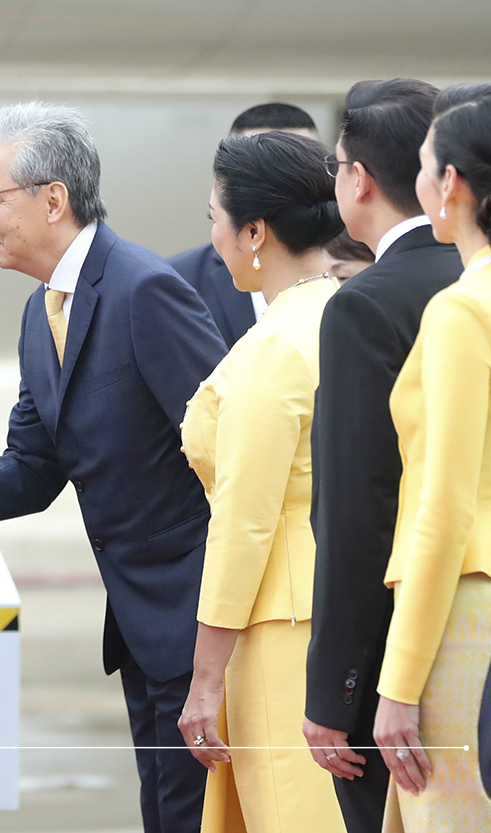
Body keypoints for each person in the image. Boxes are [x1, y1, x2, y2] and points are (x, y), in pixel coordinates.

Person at [0, 102, 227, 832]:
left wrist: (220, 632)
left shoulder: (143, 290)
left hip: (198, 625)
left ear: (53, 199)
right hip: (140, 629)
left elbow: (232, 454)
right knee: (166, 814)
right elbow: (33, 468)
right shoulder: (43, 314)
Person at [303, 78, 463, 833]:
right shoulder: (473, 275)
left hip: (408, 644)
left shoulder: (366, 303)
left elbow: (358, 510)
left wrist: (336, 691)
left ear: (358, 179)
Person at [174, 131, 346, 832]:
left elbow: (244, 522)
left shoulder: (273, 346)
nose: (211, 235)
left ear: (254, 231)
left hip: (281, 626)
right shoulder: (349, 313)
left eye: (214, 215)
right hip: (343, 608)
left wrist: (204, 675)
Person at [372, 83, 491, 832]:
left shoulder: (461, 308)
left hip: (466, 613)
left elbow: (441, 507)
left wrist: (399, 681)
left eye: (423, 166)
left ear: (450, 183)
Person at [168, 103, 319, 348]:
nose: (280, 183)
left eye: (300, 165)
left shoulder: (358, 265)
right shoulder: (177, 280)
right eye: (257, 167)